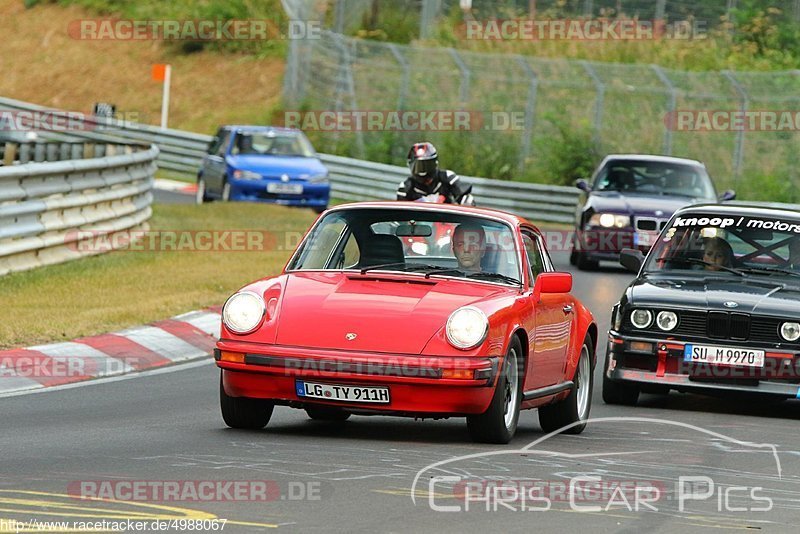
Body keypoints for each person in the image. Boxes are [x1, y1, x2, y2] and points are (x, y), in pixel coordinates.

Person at [396, 142, 475, 205]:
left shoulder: (447, 177)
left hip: (447, 221)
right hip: (419, 224)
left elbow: (465, 199)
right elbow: (399, 215)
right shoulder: (406, 187)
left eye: (427, 165)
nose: (423, 171)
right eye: (418, 166)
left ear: (434, 163)